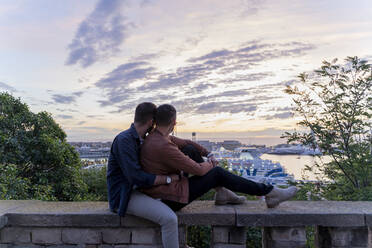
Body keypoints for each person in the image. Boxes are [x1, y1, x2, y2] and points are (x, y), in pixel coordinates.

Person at [140, 104, 298, 211]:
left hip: (167, 190)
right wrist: (211, 164)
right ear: (174, 123)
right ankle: (271, 193)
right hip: (170, 199)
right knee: (217, 173)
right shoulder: (163, 146)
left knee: (189, 148)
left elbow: (187, 143)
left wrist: (208, 154)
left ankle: (222, 192)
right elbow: (199, 171)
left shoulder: (157, 136)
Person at [107, 102, 182, 248]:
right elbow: (136, 177)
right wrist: (168, 179)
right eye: (155, 121)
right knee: (169, 219)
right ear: (151, 121)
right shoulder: (124, 140)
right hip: (125, 195)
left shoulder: (141, 138)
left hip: (139, 190)